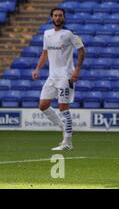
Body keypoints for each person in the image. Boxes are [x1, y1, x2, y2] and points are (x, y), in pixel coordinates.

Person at [32, 8, 85, 151]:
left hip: (65, 76)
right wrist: (37, 69)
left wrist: (77, 69)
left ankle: (68, 143)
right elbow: (45, 53)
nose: (58, 17)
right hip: (52, 76)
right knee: (43, 105)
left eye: (60, 15)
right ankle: (63, 126)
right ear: (51, 17)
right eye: (55, 15)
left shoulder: (70, 34)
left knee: (63, 108)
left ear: (64, 18)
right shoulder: (47, 34)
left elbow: (81, 50)